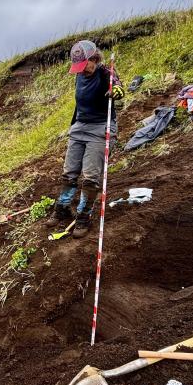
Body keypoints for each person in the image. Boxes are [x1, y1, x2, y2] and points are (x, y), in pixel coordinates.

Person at [47, 40, 124, 238]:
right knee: (69, 172)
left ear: (94, 59)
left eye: (85, 66)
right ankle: (62, 208)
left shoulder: (106, 73)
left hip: (100, 128)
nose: (82, 71)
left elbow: (119, 87)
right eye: (78, 67)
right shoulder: (80, 76)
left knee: (90, 176)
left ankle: (83, 216)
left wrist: (116, 91)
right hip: (80, 126)